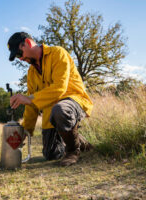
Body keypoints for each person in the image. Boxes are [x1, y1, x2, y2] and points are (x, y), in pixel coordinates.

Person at [7, 32, 93, 166]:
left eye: (19, 53)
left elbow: (59, 88)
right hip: (51, 113)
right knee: (52, 154)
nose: (20, 59)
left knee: (60, 109)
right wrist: (25, 132)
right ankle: (82, 143)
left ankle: (72, 152)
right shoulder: (31, 73)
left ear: (28, 43)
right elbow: (31, 105)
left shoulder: (58, 53)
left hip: (74, 101)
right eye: (17, 57)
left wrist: (29, 98)